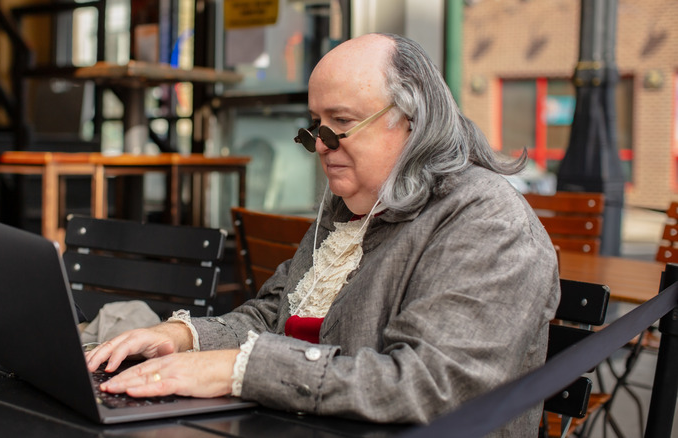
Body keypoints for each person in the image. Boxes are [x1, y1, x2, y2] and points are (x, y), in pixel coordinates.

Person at [85, 33, 560, 435]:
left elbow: (433, 387)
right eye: (315, 127)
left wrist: (238, 370)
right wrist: (182, 337)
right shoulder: (350, 206)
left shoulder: (487, 222)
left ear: (413, 121)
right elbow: (276, 316)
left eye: (342, 124)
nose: (320, 145)